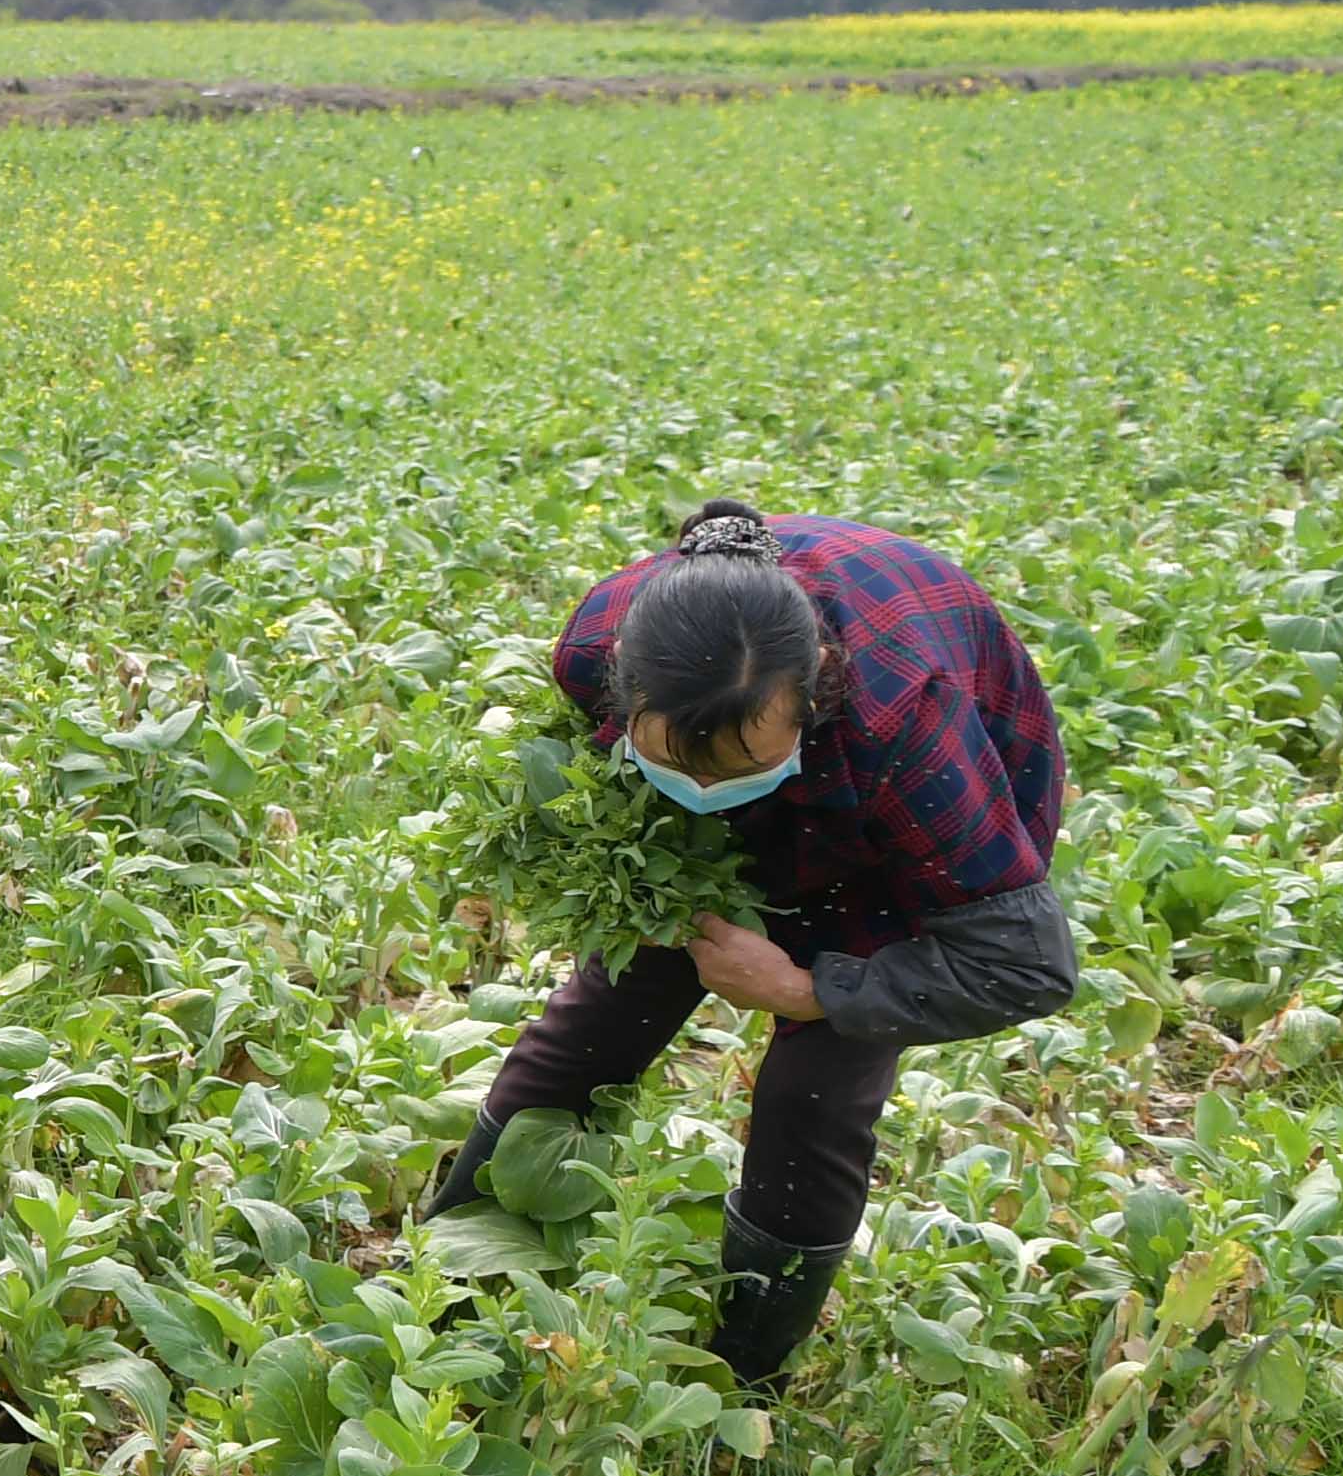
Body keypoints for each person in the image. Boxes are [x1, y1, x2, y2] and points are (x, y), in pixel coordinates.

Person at [433, 498, 1073, 1388]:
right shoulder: (595, 649)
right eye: (673, 760)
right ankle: (447, 1290)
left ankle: (740, 1383)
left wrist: (808, 990)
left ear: (814, 687)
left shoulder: (905, 724)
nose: (698, 785)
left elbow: (1026, 964)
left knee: (812, 1106)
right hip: (730, 810)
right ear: (623, 684)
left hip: (895, 823)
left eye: (734, 769)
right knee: (591, 1030)